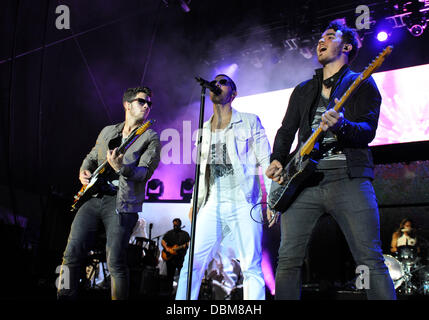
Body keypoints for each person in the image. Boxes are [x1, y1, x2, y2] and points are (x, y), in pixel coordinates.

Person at [265, 21, 396, 300]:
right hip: (303, 182)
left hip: (348, 178)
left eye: (329, 36)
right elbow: (287, 130)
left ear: (346, 46)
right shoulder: (303, 89)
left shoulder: (362, 82)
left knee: (370, 259)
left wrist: (342, 126)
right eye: (320, 37)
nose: (320, 41)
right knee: (288, 261)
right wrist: (277, 159)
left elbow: (367, 132)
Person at [57, 86, 161, 300]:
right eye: (142, 101)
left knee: (115, 261)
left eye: (149, 103)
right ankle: (63, 296)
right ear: (127, 104)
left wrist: (121, 168)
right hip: (93, 197)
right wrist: (82, 171)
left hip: (122, 202)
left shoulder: (149, 137)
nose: (146, 106)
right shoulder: (108, 131)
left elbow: (144, 173)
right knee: (70, 254)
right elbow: (92, 156)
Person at [175, 74, 273, 300]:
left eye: (223, 82)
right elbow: (201, 172)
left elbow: (266, 161)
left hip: (244, 202)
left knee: (251, 265)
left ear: (234, 93)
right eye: (215, 82)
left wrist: (273, 201)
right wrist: (195, 203)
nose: (216, 85)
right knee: (192, 264)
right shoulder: (204, 130)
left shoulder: (249, 121)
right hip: (212, 202)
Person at [161, 218, 190, 296]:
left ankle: (181, 293)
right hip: (170, 258)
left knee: (182, 276)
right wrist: (167, 249)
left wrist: (185, 246)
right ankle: (169, 292)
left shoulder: (185, 234)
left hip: (181, 258)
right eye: (174, 225)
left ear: (180, 225)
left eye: (176, 225)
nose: (175, 226)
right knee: (169, 276)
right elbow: (163, 241)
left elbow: (189, 244)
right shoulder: (169, 233)